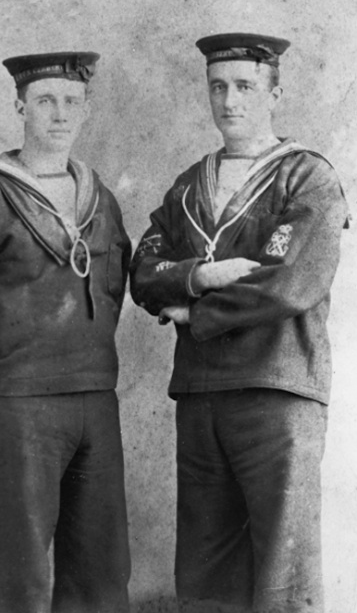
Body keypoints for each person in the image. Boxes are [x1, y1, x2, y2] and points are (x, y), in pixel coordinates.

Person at [130, 33, 348, 613]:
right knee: (205, 572)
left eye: (246, 87)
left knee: (282, 570)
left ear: (275, 93)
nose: (231, 101)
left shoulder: (307, 177)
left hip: (277, 389)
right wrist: (202, 276)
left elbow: (289, 282)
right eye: (219, 87)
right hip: (201, 394)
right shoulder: (186, 187)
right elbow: (143, 271)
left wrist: (193, 311)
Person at [0, 52, 132, 613]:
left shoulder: (98, 197)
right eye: (44, 101)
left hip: (94, 398)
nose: (59, 114)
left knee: (102, 577)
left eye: (71, 102)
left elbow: (113, 287)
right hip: (21, 407)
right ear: (20, 108)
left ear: (84, 110)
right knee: (24, 579)